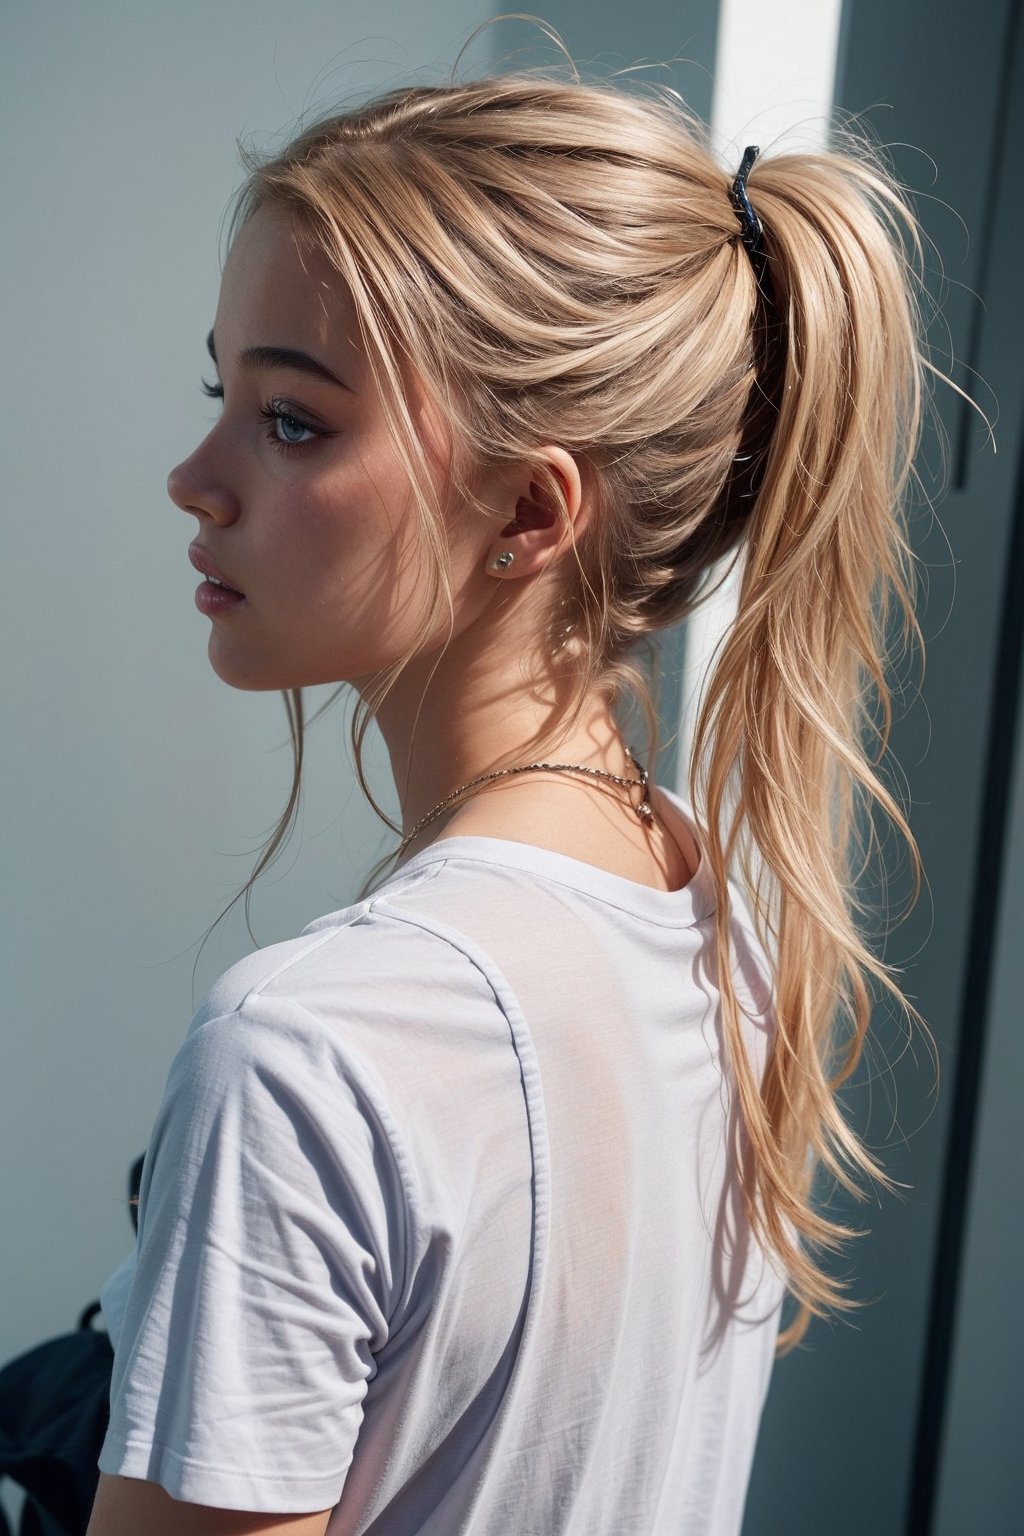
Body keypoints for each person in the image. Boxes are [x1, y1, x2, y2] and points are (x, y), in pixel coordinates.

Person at [85, 61, 930, 1536]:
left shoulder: (314, 1053)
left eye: (292, 423)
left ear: (530, 512)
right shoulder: (711, 918)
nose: (193, 477)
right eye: (223, 391)